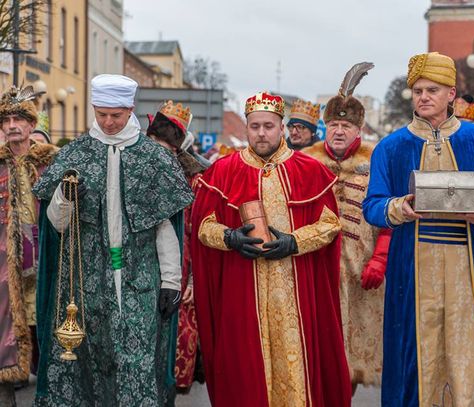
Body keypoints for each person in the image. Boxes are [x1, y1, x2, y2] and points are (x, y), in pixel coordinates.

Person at [362, 52, 474, 406]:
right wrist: (398, 207)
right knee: (420, 356)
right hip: (412, 270)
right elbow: (372, 205)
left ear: (451, 93)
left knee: (468, 354)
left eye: (432, 89)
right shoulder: (390, 147)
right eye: (417, 90)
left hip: (468, 268)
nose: (423, 96)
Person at [32, 74, 194, 406]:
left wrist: (171, 281)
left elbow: (164, 227)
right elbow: (56, 226)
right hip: (85, 282)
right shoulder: (75, 154)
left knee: (136, 363)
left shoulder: (153, 158)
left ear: (129, 109)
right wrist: (64, 196)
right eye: (101, 114)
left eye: (116, 115)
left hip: (139, 279)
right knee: (89, 365)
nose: (107, 122)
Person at [191, 91, 351, 406]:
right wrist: (230, 238)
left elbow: (331, 225)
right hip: (241, 294)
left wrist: (295, 241)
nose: (261, 133)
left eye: (268, 126)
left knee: (297, 374)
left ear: (281, 128)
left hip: (296, 293)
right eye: (255, 126)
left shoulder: (311, 170)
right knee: (243, 371)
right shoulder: (223, 170)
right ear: (246, 128)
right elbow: (203, 227)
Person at [303, 79, 390, 393]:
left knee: (351, 358)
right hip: (314, 270)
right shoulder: (306, 163)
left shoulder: (378, 162)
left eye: (346, 126)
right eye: (334, 124)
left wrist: (380, 258)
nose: (339, 131)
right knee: (314, 353)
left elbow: (389, 217)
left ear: (359, 129)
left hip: (360, 272)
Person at [0, 85, 57, 406]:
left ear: (31, 125)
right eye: (5, 120)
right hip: (6, 273)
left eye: (18, 118)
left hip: (46, 267)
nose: (11, 126)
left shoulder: (52, 166)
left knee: (50, 342)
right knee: (5, 345)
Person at [146, 100, 208, 392]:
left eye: (167, 149)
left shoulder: (193, 181)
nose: (160, 153)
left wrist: (194, 277)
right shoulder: (136, 170)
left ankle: (173, 385)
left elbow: (198, 232)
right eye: (155, 143)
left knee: (180, 328)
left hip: (183, 264)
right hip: (143, 264)